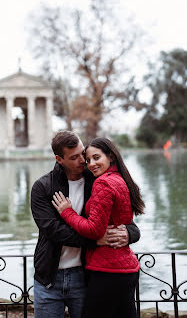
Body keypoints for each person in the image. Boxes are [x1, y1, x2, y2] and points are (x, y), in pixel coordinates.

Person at [31, 131, 141, 318]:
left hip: (84, 275)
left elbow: (122, 218)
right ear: (59, 159)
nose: (83, 161)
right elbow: (53, 231)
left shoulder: (97, 180)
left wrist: (131, 233)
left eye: (83, 153)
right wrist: (94, 241)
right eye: (74, 157)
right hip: (49, 278)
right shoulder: (43, 187)